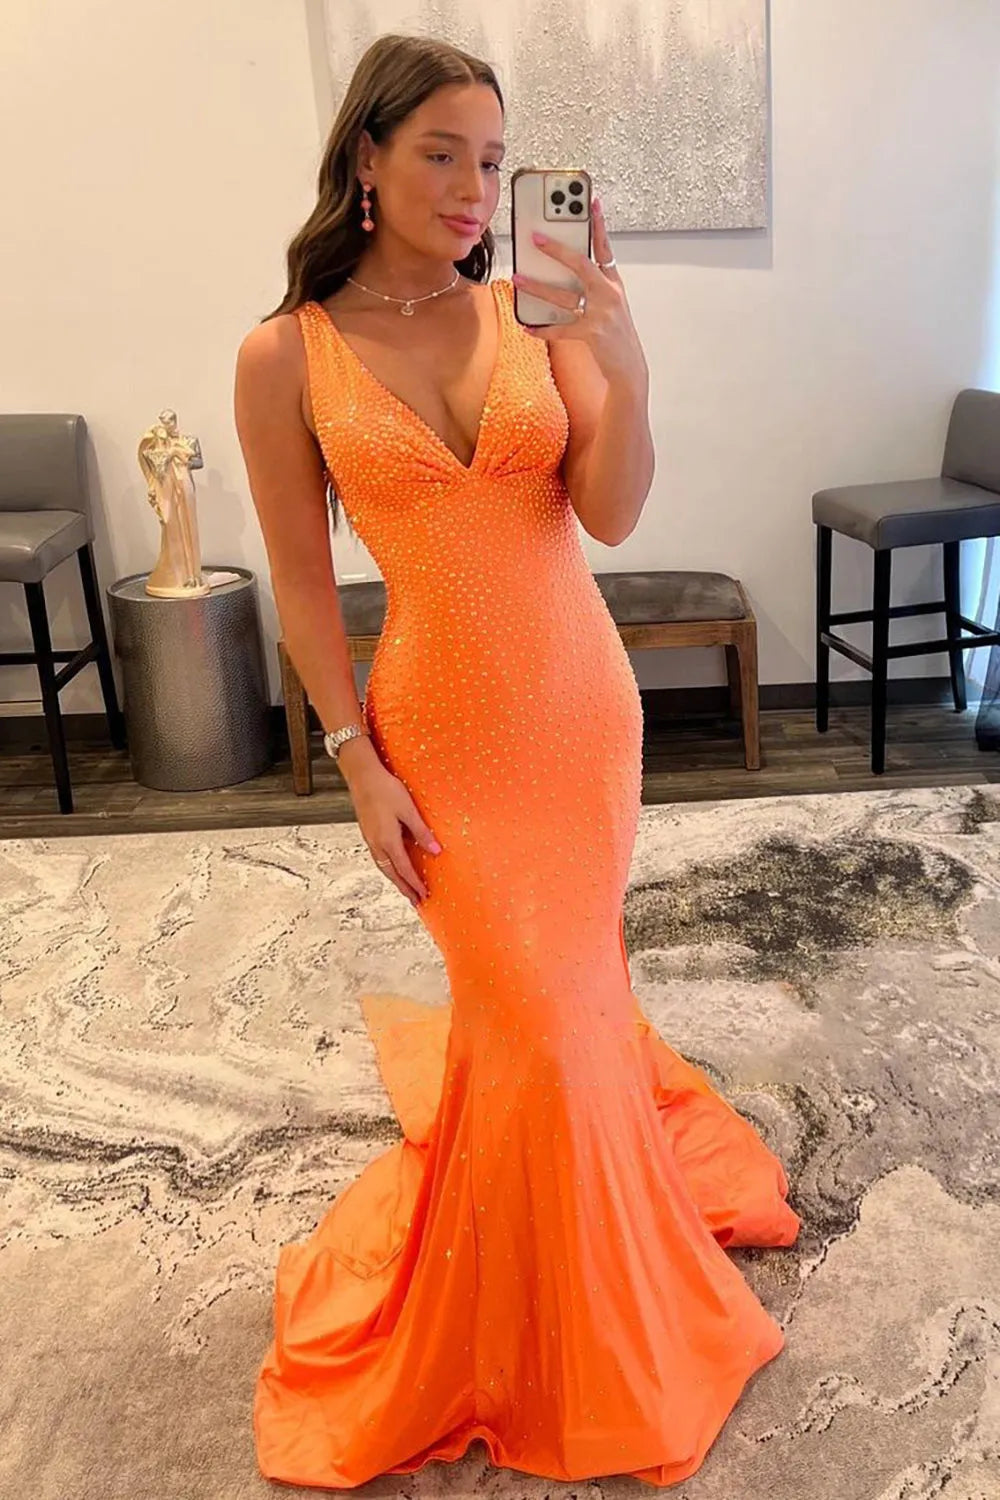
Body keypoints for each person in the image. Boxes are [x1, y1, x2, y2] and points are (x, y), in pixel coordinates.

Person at [234, 31, 800, 1491]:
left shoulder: (534, 314)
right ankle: (524, 1315)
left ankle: (592, 1311)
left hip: (577, 713)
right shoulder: (284, 355)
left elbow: (609, 512)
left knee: (566, 1004)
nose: (475, 189)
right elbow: (302, 581)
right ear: (366, 156)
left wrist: (626, 361)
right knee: (530, 1012)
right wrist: (354, 759)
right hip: (437, 727)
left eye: (493, 161)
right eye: (442, 154)